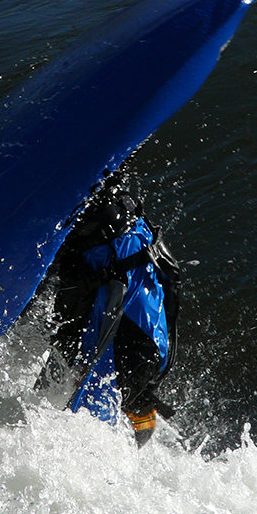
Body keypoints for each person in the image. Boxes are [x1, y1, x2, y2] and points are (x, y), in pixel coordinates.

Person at [34, 174, 180, 446]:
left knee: (66, 349)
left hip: (119, 226)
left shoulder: (154, 366)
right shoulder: (128, 378)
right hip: (104, 239)